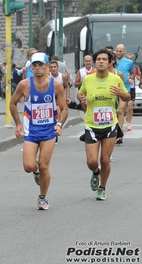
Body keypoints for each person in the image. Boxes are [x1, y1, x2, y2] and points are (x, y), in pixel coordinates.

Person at [10, 52, 68, 210]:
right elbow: (13, 103)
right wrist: (17, 124)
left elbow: (64, 109)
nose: (37, 68)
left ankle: (42, 197)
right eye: (34, 65)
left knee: (44, 166)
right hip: (31, 131)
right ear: (31, 67)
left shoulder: (55, 85)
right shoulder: (25, 85)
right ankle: (36, 173)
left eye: (41, 65)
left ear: (47, 66)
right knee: (29, 166)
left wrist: (60, 124)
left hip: (49, 130)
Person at [77, 49, 130, 200]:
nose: (101, 61)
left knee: (105, 159)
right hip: (92, 124)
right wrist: (81, 97)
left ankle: (102, 188)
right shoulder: (88, 79)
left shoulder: (116, 78)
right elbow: (80, 92)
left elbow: (127, 96)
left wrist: (120, 94)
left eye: (104, 59)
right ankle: (95, 172)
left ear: (110, 62)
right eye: (98, 59)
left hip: (110, 124)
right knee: (92, 161)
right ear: (94, 62)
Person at [114, 44, 134, 144]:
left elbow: (133, 72)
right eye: (117, 51)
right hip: (113, 88)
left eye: (120, 51)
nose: (118, 53)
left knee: (121, 110)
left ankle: (119, 133)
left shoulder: (129, 62)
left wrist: (131, 78)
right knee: (115, 111)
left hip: (124, 88)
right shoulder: (112, 61)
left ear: (124, 52)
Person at [125, 53, 141, 131]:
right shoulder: (122, 66)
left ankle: (129, 124)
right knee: (123, 108)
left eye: (131, 58)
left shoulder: (136, 67)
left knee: (130, 106)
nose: (129, 60)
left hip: (131, 88)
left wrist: (139, 79)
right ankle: (125, 115)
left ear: (133, 60)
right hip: (123, 88)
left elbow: (140, 75)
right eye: (128, 58)